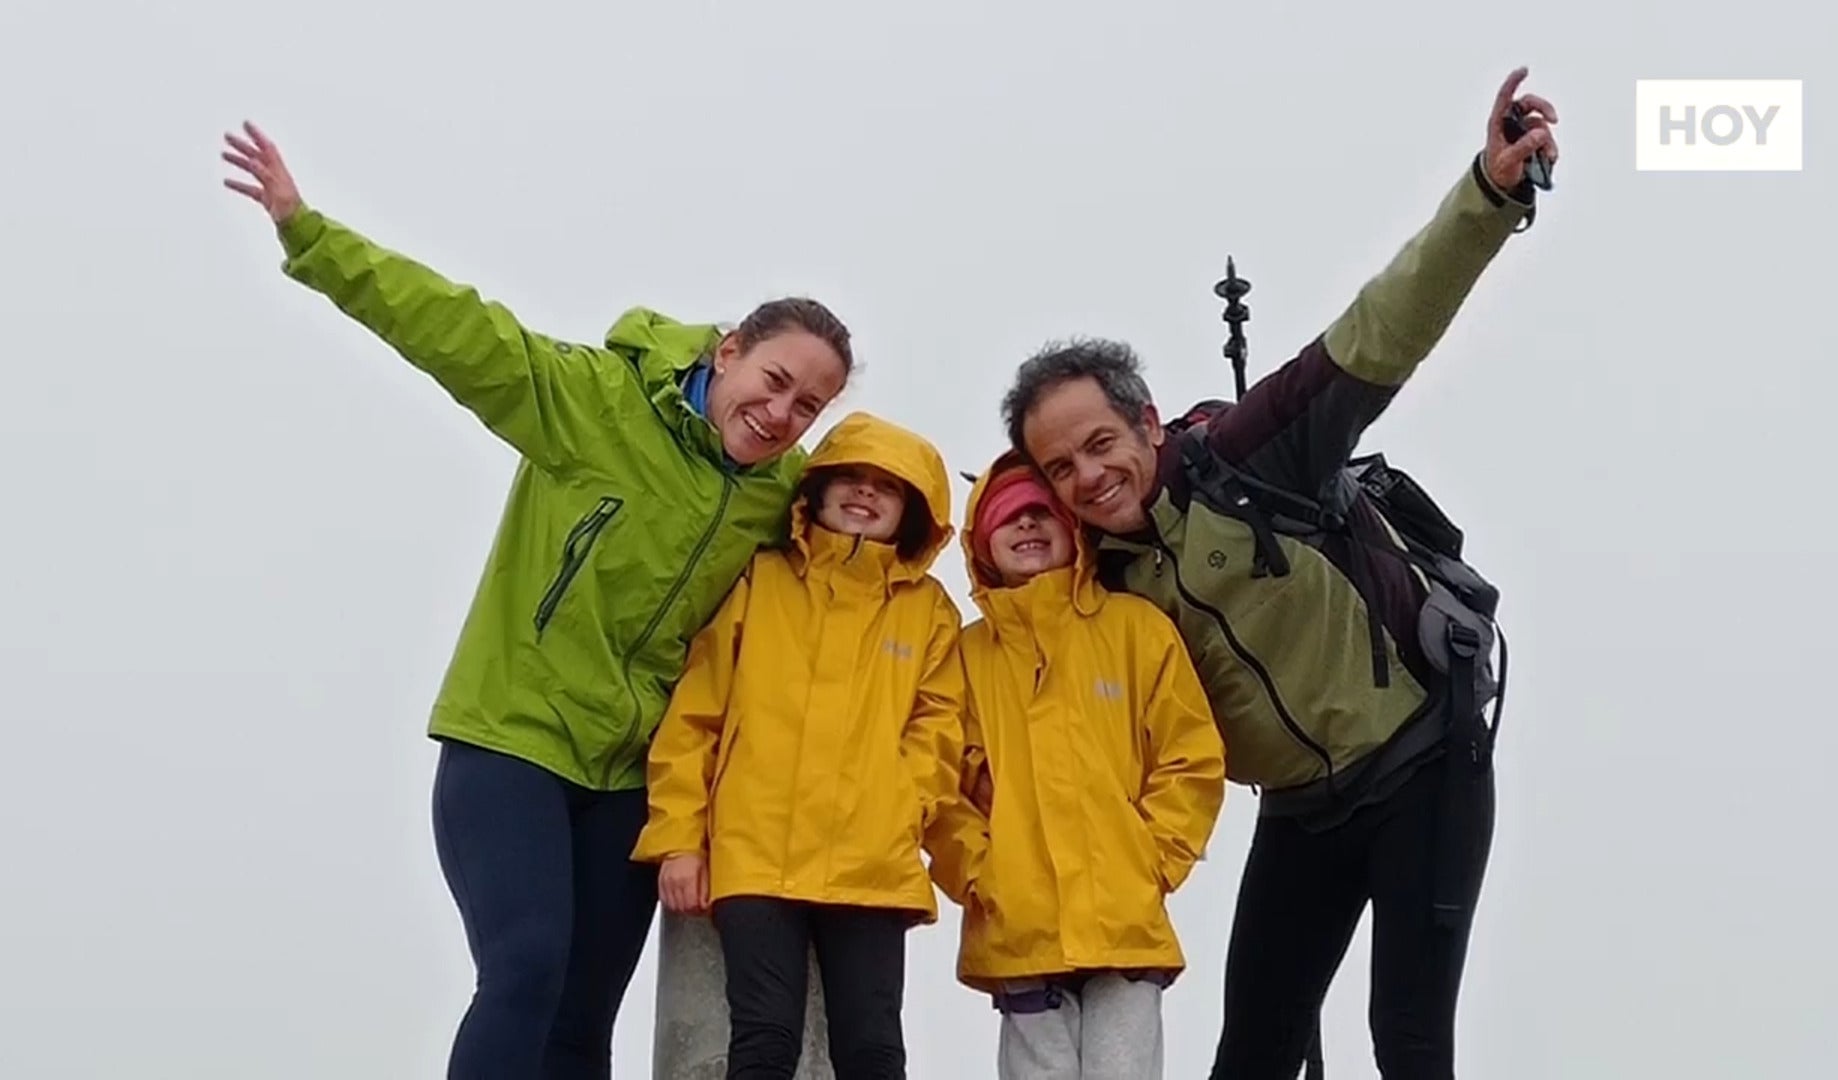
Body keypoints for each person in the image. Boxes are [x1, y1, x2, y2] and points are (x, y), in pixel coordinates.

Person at [220, 122, 856, 1078]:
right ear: (728, 352)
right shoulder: (592, 403)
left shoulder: (776, 497)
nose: (780, 414)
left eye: (809, 407)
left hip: (626, 777)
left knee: (580, 1021)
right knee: (523, 969)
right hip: (510, 739)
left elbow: (856, 558)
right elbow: (453, 327)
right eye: (774, 381)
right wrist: (308, 232)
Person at [993, 68, 1560, 1078]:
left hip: (1422, 764)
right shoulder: (1103, 587)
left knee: (1410, 1040)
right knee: (1252, 1051)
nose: (1088, 477)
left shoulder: (1253, 456)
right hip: (1302, 809)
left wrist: (1489, 191)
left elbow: (1383, 325)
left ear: (1146, 423)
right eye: (1060, 466)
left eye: (1100, 444)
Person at [631, 409, 967, 1080]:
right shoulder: (761, 581)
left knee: (873, 1049)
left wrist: (900, 804)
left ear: (913, 511)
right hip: (754, 855)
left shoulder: (927, 611)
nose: (866, 493)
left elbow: (940, 728)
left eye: (888, 485)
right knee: (762, 1040)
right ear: (815, 488)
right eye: (851, 476)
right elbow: (696, 716)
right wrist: (678, 839)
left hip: (871, 862)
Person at [924, 452, 1227, 1079]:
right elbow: (939, 779)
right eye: (1010, 518)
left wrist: (1153, 858)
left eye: (1043, 513)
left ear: (1074, 528)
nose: (1028, 527)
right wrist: (979, 874)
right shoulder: (967, 655)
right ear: (982, 543)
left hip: (1124, 919)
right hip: (1018, 925)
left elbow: (1189, 755)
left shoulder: (1135, 629)